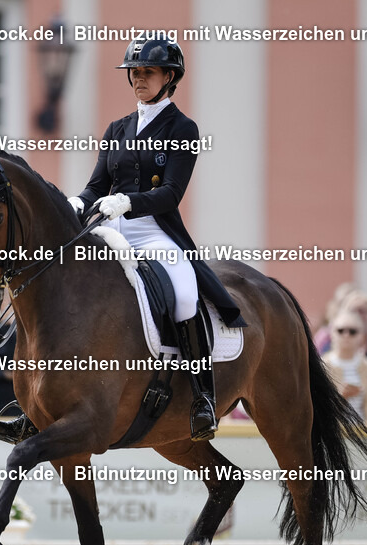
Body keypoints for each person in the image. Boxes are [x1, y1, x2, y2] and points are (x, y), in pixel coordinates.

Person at [67, 37, 245, 441]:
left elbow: (171, 193)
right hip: (111, 229)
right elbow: (97, 185)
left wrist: (127, 201)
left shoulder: (183, 128)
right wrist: (77, 201)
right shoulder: (118, 128)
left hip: (154, 231)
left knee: (183, 294)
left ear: (170, 77)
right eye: (135, 72)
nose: (138, 79)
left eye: (147, 72)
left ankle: (201, 397)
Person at [322, 310, 367, 420]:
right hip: (335, 433)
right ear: (332, 333)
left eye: (352, 331)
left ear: (362, 336)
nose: (346, 335)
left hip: (364, 433)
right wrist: (340, 397)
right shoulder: (323, 366)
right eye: (340, 330)